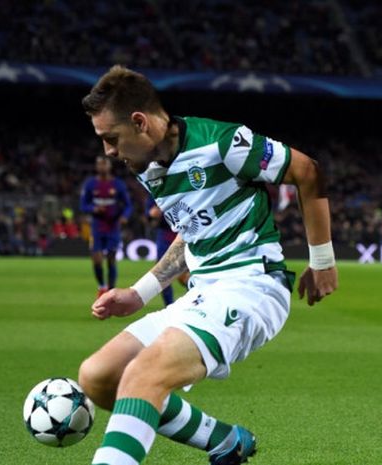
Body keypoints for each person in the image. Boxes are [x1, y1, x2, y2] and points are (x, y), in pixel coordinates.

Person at [77, 65, 338, 465]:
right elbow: (191, 233)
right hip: (202, 292)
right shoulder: (147, 166)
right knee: (99, 376)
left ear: (140, 122)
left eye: (110, 139)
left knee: (144, 373)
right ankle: (225, 440)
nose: (108, 152)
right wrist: (140, 292)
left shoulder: (223, 144)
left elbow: (307, 170)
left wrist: (322, 261)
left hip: (252, 286)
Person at [80, 156, 133, 296]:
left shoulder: (118, 184)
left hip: (113, 226)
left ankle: (110, 290)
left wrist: (124, 217)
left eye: (104, 164)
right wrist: (93, 209)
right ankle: (102, 286)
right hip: (97, 227)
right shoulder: (90, 184)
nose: (102, 167)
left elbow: (128, 205)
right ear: (96, 167)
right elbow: (83, 205)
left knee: (111, 258)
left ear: (110, 166)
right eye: (99, 164)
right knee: (96, 259)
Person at [145, 196, 189, 306]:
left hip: (186, 234)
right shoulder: (156, 190)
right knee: (163, 274)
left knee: (189, 273)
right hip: (165, 236)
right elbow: (148, 212)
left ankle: (195, 302)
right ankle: (168, 305)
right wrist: (151, 213)